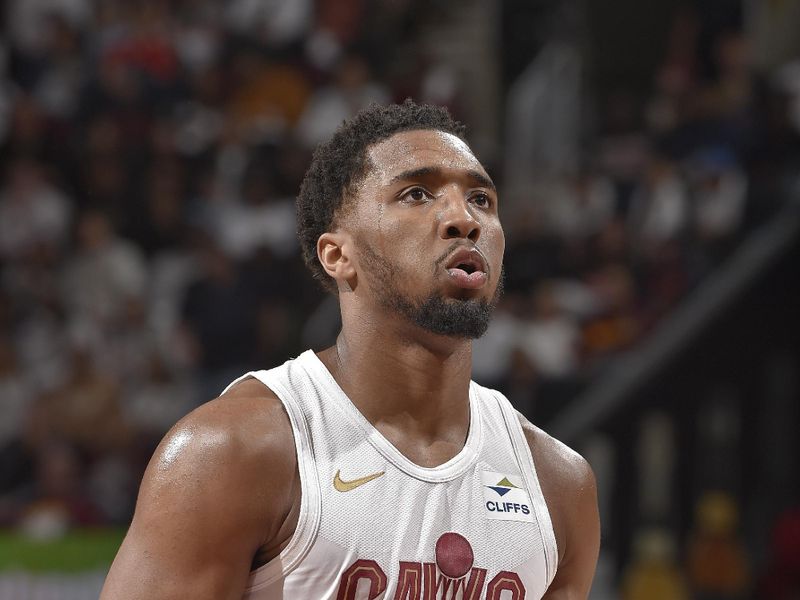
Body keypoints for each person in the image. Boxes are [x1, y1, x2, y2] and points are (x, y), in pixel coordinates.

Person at [100, 100, 600, 599]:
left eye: (482, 200)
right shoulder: (234, 452)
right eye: (418, 193)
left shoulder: (557, 484)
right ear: (338, 255)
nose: (463, 219)